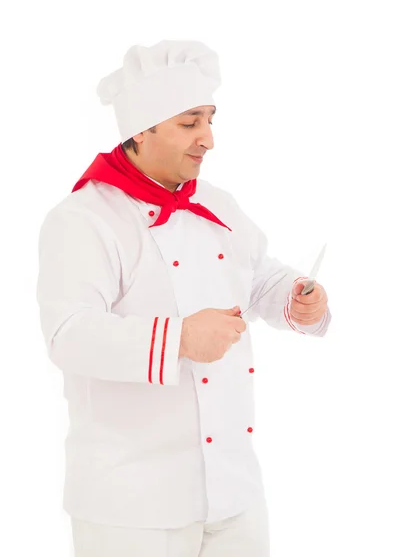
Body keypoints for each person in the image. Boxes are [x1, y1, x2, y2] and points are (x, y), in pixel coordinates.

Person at [36, 40, 332, 557]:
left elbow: (258, 275)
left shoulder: (217, 205)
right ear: (141, 128)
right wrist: (178, 338)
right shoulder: (83, 220)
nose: (209, 139)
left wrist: (295, 298)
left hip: (233, 494)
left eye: (211, 120)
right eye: (190, 123)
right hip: (131, 507)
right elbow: (69, 335)